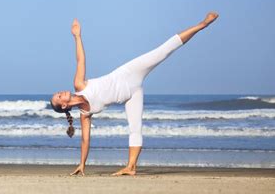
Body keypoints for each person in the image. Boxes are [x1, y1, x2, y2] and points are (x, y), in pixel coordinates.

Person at [50, 12, 219, 176]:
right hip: (131, 94)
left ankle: (202, 25)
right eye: (58, 97)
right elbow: (85, 140)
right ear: (64, 105)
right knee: (135, 128)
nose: (60, 93)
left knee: (163, 51)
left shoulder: (79, 85)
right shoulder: (85, 115)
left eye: (57, 93)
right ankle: (131, 167)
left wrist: (77, 36)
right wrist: (82, 164)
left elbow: (80, 60)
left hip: (129, 73)